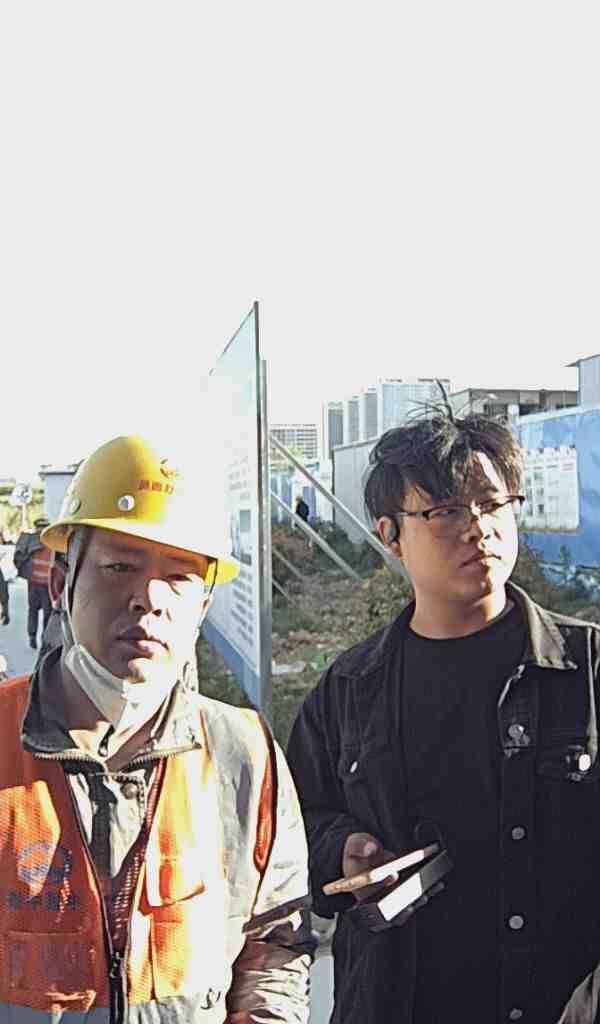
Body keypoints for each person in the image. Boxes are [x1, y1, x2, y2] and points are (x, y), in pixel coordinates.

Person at [287, 410, 600, 1024]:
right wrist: (345, 851)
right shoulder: (350, 690)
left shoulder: (587, 669)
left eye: (492, 503)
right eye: (447, 511)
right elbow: (295, 826)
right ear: (390, 535)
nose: (478, 527)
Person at [0, 434, 313, 1023]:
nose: (148, 598)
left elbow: (274, 944)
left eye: (179, 577)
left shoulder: (244, 753)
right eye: (120, 567)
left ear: (202, 609)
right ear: (62, 586)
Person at [14, 514, 52, 648]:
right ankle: (40, 638)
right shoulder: (49, 544)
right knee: (45, 612)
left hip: (39, 584)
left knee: (35, 611)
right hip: (42, 584)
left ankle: (36, 636)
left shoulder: (31, 543)